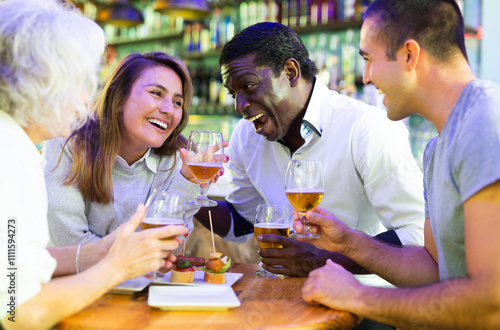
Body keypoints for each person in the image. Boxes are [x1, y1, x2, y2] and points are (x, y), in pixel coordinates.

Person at [299, 0, 500, 328]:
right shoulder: (437, 147)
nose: (365, 77)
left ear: (409, 55)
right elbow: (434, 270)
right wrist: (350, 242)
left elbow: (492, 302)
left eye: (368, 59)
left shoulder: (486, 123)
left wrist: (357, 296)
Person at [0, 1, 187, 329]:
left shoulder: (16, 144)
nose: (88, 99)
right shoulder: (13, 154)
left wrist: (109, 251)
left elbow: (17, 267)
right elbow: (18, 314)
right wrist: (117, 266)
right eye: (78, 80)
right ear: (41, 78)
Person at [195, 21, 425, 276]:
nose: (239, 106)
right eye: (232, 94)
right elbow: (242, 223)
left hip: (363, 303)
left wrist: (325, 260)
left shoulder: (365, 127)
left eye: (248, 86)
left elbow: (415, 234)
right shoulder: (246, 136)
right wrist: (185, 185)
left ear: (291, 72)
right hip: (282, 296)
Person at [44, 51, 207, 255]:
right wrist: (141, 253)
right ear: (119, 98)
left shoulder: (175, 159)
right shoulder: (67, 145)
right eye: (156, 93)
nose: (169, 110)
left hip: (141, 284)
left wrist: (188, 181)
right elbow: (70, 243)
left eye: (178, 102)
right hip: (73, 283)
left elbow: (170, 246)